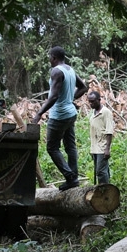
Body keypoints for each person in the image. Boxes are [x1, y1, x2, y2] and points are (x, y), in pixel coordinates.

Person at [32, 46, 88, 189]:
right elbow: (83, 87)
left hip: (60, 116)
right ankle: (73, 178)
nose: (49, 60)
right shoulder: (70, 70)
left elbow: (54, 96)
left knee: (52, 148)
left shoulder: (56, 71)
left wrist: (39, 113)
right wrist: (70, 99)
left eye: (50, 57)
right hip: (71, 114)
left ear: (54, 58)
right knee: (70, 146)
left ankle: (70, 177)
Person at [86, 90, 114, 185]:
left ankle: (105, 191)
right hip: (95, 148)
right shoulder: (93, 114)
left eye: (93, 101)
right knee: (101, 171)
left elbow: (109, 131)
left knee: (101, 172)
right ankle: (103, 190)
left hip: (102, 147)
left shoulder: (106, 112)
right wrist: (92, 149)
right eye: (89, 101)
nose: (91, 103)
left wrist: (107, 148)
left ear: (99, 100)